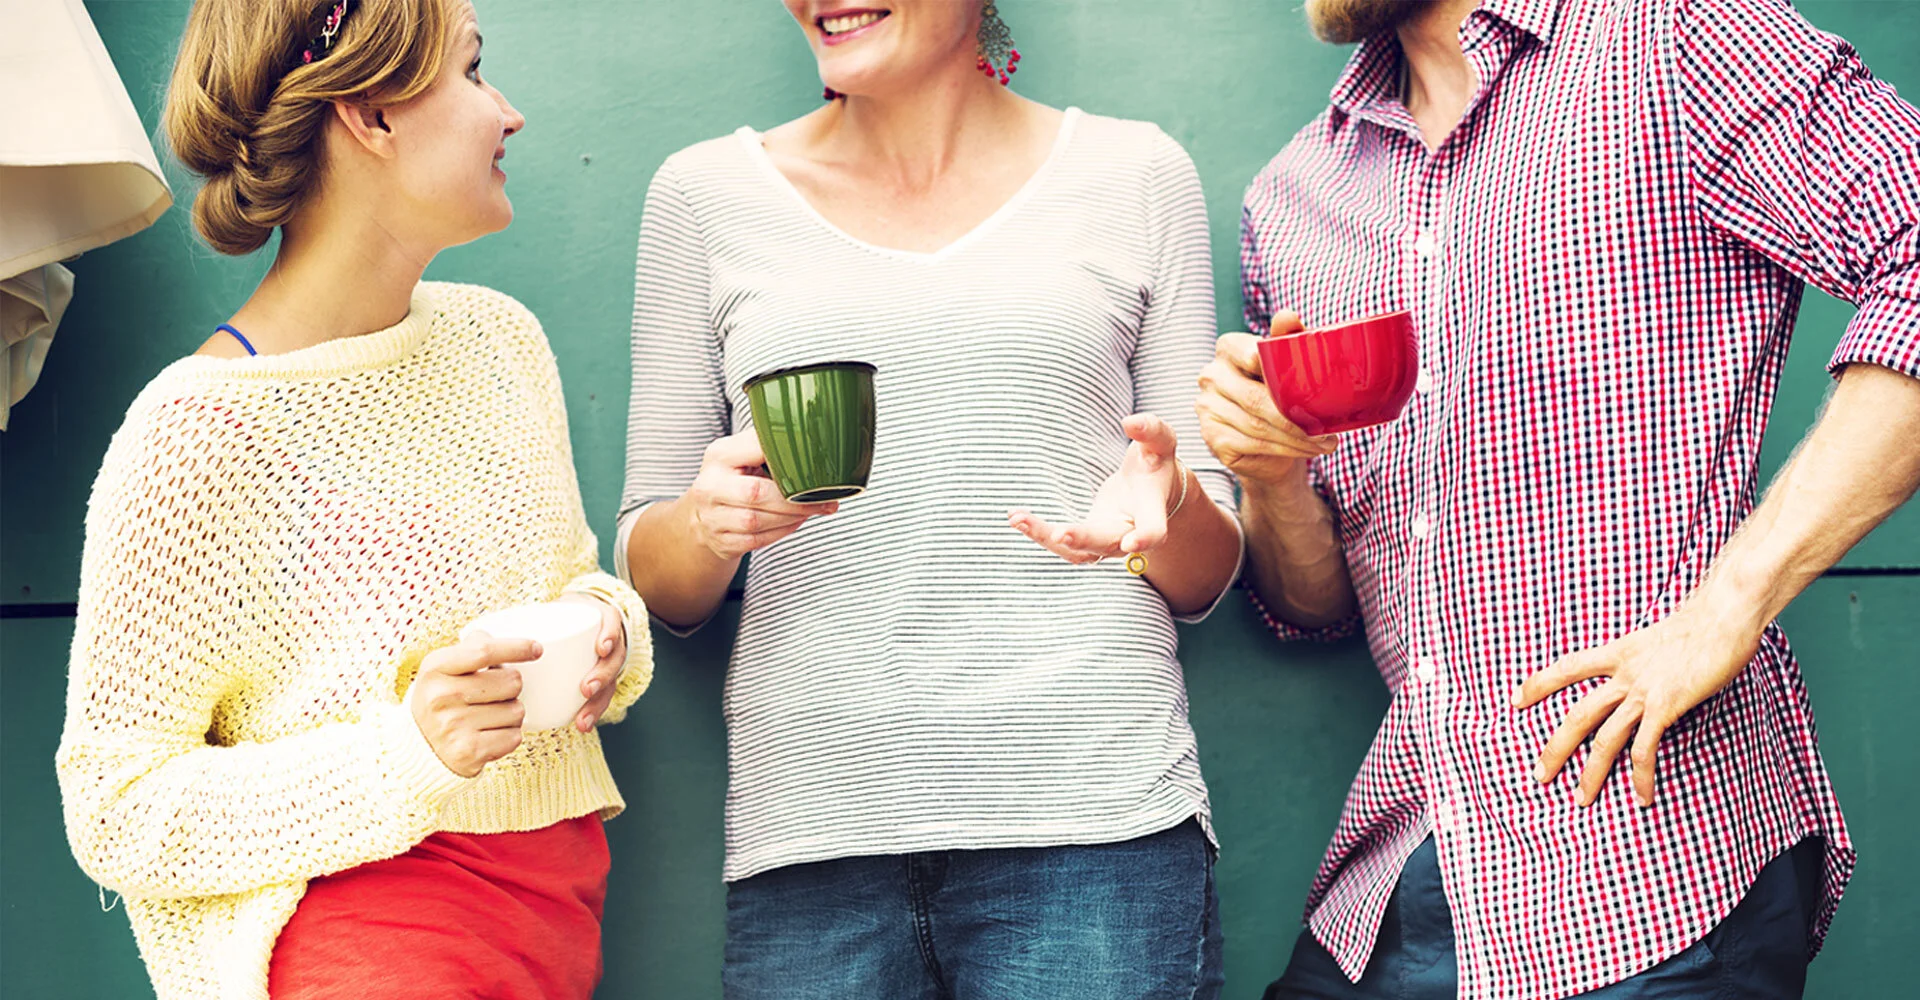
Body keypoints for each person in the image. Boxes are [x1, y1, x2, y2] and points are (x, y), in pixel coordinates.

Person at [1197, 0, 1920, 996]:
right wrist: (1272, 472)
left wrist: (1730, 605)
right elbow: (1317, 607)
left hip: (1651, 878)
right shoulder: (1294, 198)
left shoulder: (1672, 39)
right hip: (1409, 872)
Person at [616, 2, 1242, 997]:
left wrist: (1169, 506)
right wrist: (703, 526)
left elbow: (1206, 572)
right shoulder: (703, 196)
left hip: (1095, 827)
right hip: (812, 838)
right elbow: (654, 574)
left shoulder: (1137, 174)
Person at [55, 2, 652, 997]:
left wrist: (609, 630)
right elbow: (115, 808)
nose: (507, 113)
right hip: (367, 954)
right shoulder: (197, 433)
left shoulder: (501, 344)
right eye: (473, 71)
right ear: (372, 114)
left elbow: (569, 584)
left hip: (553, 932)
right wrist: (404, 753)